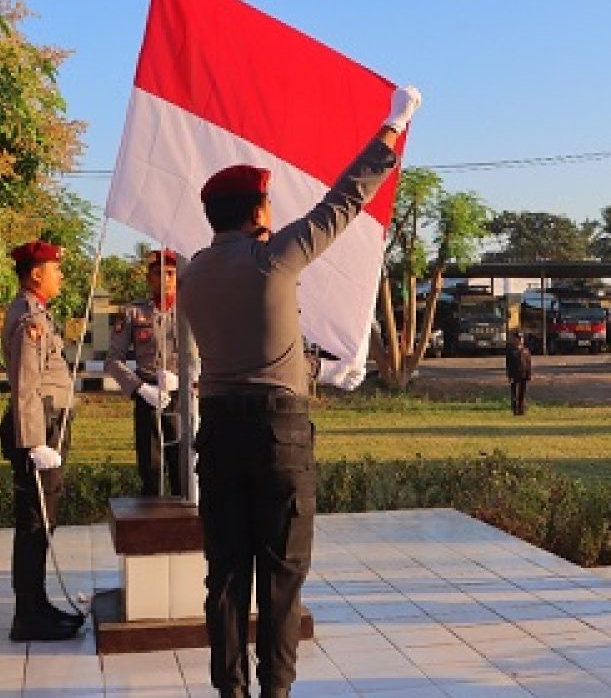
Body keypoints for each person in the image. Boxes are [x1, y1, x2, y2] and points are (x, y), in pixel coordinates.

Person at [180, 85, 420, 698]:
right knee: (282, 576)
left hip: (219, 432)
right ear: (258, 212)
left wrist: (311, 366)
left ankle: (230, 690)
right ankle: (276, 690)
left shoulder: (192, 273)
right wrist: (392, 128)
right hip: (279, 433)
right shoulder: (271, 260)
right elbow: (345, 201)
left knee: (226, 576)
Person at [0, 240, 83, 642]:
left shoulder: (38, 313)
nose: (59, 276)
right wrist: (34, 443)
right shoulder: (28, 319)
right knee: (35, 521)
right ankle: (28, 614)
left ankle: (37, 603)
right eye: (54, 269)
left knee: (43, 519)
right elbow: (25, 386)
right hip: (39, 429)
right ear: (36, 274)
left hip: (49, 424)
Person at [105, 249, 183, 497]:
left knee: (183, 467)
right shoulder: (133, 313)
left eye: (171, 273)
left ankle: (185, 519)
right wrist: (139, 387)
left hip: (181, 395)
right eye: (159, 273)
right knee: (150, 467)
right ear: (149, 278)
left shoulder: (190, 311)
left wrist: (185, 380)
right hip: (147, 392)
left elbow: (208, 353)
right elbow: (113, 361)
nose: (165, 279)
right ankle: (153, 517)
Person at [504, 331, 532, 415]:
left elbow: (528, 363)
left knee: (522, 393)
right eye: (518, 338)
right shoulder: (511, 351)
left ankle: (521, 409)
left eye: (521, 338)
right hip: (514, 374)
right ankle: (515, 409)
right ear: (515, 339)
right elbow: (508, 364)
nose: (520, 340)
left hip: (523, 374)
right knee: (514, 393)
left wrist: (529, 374)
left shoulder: (526, 350)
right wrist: (509, 375)